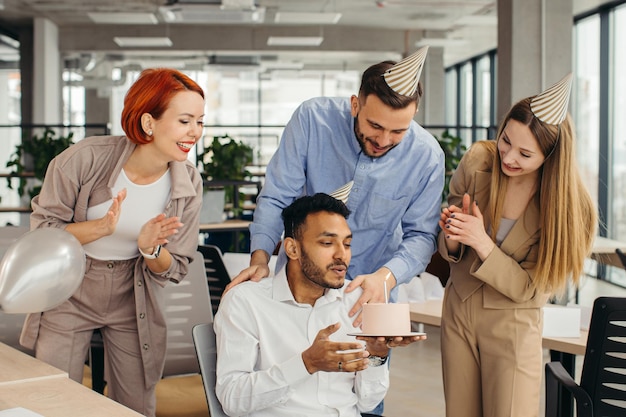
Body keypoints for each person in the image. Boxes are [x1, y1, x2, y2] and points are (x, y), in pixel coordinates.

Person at [19, 68, 205, 416]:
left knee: (136, 405)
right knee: (54, 400)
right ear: (149, 122)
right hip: (69, 288)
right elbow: (42, 233)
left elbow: (175, 267)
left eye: (200, 121)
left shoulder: (188, 181)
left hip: (132, 293)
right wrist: (100, 228)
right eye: (184, 120)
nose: (194, 132)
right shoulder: (84, 159)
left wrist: (152, 250)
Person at [230, 46, 445, 322]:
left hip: (373, 295)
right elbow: (277, 197)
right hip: (300, 286)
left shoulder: (427, 156)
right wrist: (259, 258)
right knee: (291, 362)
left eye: (398, 131)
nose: (383, 140)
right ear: (355, 105)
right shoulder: (312, 119)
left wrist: (386, 278)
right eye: (375, 126)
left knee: (370, 365)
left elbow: (422, 236)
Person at [438, 73, 597, 417]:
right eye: (506, 140)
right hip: (459, 311)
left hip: (513, 323)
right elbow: (451, 252)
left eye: (525, 153)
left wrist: (482, 242)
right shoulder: (479, 160)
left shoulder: (569, 210)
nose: (508, 156)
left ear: (550, 157)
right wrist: (453, 237)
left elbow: (530, 288)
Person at [215, 193, 426, 417]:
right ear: (292, 249)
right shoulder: (246, 301)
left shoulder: (355, 300)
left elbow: (368, 403)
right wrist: (306, 363)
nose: (341, 255)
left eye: (347, 244)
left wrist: (377, 353)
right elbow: (231, 399)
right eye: (327, 243)